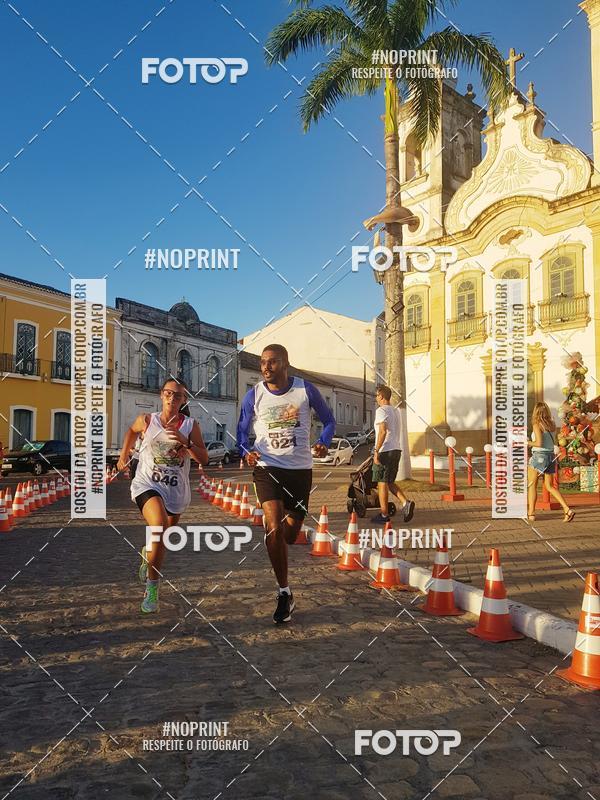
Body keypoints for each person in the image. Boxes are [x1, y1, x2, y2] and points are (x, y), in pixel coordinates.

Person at [237, 344, 335, 624]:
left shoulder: (306, 390)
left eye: (272, 362)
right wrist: (246, 451)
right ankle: (284, 592)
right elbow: (241, 432)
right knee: (273, 528)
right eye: (262, 362)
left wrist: (324, 442)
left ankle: (283, 533)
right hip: (267, 467)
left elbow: (329, 420)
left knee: (290, 535)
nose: (266, 367)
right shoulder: (254, 395)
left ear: (285, 364)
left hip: (300, 470)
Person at [117, 378, 208, 613]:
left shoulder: (191, 426)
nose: (172, 398)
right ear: (161, 395)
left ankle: (148, 551)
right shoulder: (148, 420)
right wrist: (123, 455)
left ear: (184, 399)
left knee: (162, 537)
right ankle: (152, 587)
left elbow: (203, 458)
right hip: (147, 483)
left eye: (177, 395)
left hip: (175, 490)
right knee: (158, 526)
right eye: (168, 393)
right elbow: (131, 431)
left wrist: (186, 443)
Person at [371, 385, 415, 524]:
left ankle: (384, 515)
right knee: (390, 482)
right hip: (396, 449)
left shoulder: (381, 410)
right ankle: (406, 503)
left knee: (382, 483)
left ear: (381, 396)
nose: (376, 398)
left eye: (376, 395)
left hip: (385, 451)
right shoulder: (396, 411)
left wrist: (376, 451)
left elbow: (382, 431)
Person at [527, 401, 574, 522]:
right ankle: (567, 509)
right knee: (550, 486)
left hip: (539, 456)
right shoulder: (552, 424)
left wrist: (526, 442)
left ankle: (531, 513)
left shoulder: (537, 424)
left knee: (532, 485)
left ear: (536, 412)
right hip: (550, 456)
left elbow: (538, 443)